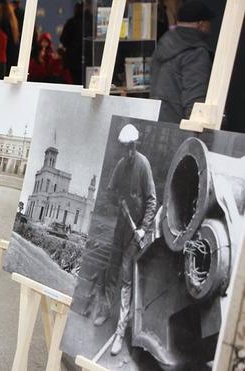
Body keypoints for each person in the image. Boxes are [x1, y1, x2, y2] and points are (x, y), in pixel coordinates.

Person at [96, 124, 156, 356]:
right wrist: (116, 199)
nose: (127, 152)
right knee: (111, 271)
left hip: (135, 233)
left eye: (130, 148)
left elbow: (152, 200)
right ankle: (105, 311)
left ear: (135, 146)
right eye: (124, 149)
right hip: (121, 228)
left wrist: (142, 229)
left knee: (125, 278)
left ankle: (120, 332)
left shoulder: (143, 165)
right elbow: (110, 191)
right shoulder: (121, 166)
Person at [150, 1, 214, 123]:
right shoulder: (195, 52)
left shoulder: (163, 44)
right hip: (180, 130)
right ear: (201, 24)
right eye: (209, 23)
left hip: (158, 123)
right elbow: (195, 101)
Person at [60, 2, 91, 85]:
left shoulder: (71, 22)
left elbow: (63, 40)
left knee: (76, 83)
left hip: (73, 60)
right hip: (89, 59)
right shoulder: (91, 23)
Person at [0, 0, 20, 75]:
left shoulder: (4, 21)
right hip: (13, 51)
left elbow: (5, 38)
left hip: (7, 52)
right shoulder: (12, 20)